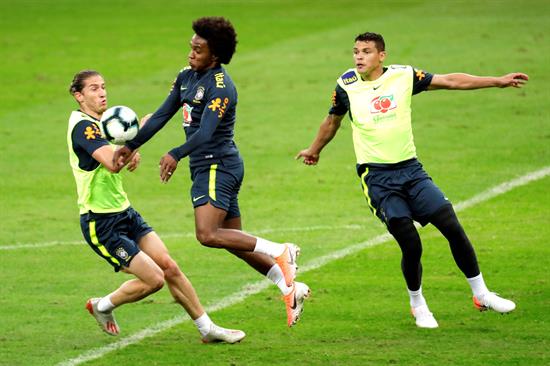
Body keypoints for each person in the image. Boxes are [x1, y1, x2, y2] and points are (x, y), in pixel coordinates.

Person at [296, 32, 528, 329]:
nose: (359, 57)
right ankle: (418, 305)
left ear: (382, 56)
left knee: (450, 224)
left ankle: (481, 293)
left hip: (411, 171)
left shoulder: (404, 76)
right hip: (377, 177)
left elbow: (451, 81)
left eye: (366, 51)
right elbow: (332, 121)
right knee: (410, 241)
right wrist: (314, 150)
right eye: (356, 51)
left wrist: (497, 80)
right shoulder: (346, 85)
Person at [113, 17, 310, 327]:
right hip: (209, 166)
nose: (191, 53)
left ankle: (281, 250)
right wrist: (132, 145)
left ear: (215, 55)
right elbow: (163, 114)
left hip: (217, 165)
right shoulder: (186, 77)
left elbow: (205, 133)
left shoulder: (221, 88)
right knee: (235, 241)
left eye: (199, 49)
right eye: (191, 47)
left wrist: (174, 154)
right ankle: (289, 288)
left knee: (207, 234)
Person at [68, 69, 246, 343]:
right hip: (100, 222)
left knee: (169, 266)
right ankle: (102, 306)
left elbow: (120, 158)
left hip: (124, 212)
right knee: (154, 279)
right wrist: (135, 139)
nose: (102, 92)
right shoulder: (83, 126)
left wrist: (132, 148)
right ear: (78, 96)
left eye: (103, 86)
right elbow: (113, 163)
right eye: (93, 89)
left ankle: (207, 329)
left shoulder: (104, 121)